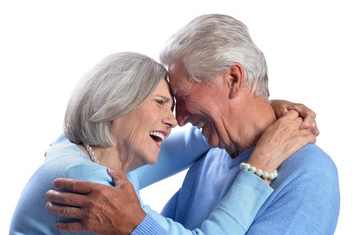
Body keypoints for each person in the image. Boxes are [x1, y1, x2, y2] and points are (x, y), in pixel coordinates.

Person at [42, 15, 337, 235]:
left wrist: (137, 226)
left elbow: (147, 224)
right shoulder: (212, 155)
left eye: (180, 98)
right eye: (165, 102)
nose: (178, 120)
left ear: (233, 80)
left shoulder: (309, 174)